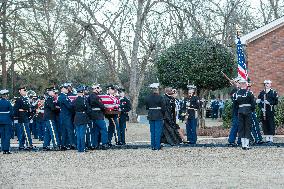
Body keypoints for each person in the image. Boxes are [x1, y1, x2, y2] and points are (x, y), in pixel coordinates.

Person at [235, 78, 255, 150]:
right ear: (246, 85)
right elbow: (253, 103)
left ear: (240, 85)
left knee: (241, 127)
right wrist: (251, 110)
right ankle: (246, 145)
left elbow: (235, 104)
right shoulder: (250, 93)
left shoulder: (236, 94)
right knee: (247, 127)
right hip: (248, 111)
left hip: (240, 111)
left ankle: (243, 145)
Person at [87, 83, 108, 150]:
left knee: (95, 130)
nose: (100, 89)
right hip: (98, 115)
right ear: (95, 89)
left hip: (93, 115)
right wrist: (104, 108)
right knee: (103, 129)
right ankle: (104, 144)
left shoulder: (90, 96)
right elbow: (101, 105)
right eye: (98, 88)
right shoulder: (96, 97)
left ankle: (95, 144)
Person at [145, 83, 165, 150]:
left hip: (151, 115)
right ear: (157, 89)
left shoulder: (147, 97)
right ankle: (157, 146)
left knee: (152, 131)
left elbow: (147, 107)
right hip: (158, 115)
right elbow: (163, 108)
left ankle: (153, 146)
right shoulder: (160, 97)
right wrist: (163, 115)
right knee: (158, 131)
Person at [72, 85, 90, 152]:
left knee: (78, 134)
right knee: (82, 134)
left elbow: (72, 108)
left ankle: (79, 148)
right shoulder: (84, 100)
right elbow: (88, 109)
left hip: (76, 116)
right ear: (82, 92)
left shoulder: (75, 100)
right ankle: (83, 148)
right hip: (83, 117)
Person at [58, 84, 76, 150]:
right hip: (66, 115)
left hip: (65, 115)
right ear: (62, 89)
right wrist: (74, 105)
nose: (67, 90)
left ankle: (64, 144)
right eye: (66, 88)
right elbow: (68, 106)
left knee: (65, 130)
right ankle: (72, 144)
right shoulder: (63, 97)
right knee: (69, 129)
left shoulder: (64, 96)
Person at [228, 76, 242, 147]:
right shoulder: (233, 91)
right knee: (235, 126)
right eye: (238, 82)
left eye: (240, 82)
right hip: (236, 111)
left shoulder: (243, 90)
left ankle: (240, 141)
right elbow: (235, 99)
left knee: (241, 126)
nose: (239, 84)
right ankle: (231, 141)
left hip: (243, 111)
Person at [0, 89, 13, 154]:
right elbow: (11, 113)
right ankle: (6, 149)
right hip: (7, 120)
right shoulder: (8, 102)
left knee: (2, 135)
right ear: (6, 95)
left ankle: (3, 149)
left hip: (0, 121)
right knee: (7, 135)